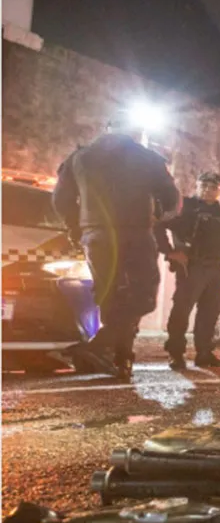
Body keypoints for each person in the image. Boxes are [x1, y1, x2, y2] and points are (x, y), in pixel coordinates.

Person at [51, 118, 182, 380]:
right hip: (135, 232)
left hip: (96, 235)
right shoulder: (147, 158)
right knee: (142, 296)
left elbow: (60, 200)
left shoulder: (78, 158)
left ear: (107, 129)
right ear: (136, 132)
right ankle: (105, 349)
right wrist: (159, 215)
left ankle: (116, 359)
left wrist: (76, 229)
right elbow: (171, 199)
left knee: (109, 297)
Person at [154, 172, 220, 370]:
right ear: (197, 187)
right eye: (204, 186)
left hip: (215, 269)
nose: (208, 190)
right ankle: (176, 353)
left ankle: (204, 353)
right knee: (182, 310)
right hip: (192, 266)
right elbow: (158, 225)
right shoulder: (185, 207)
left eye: (213, 187)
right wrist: (170, 252)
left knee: (209, 313)